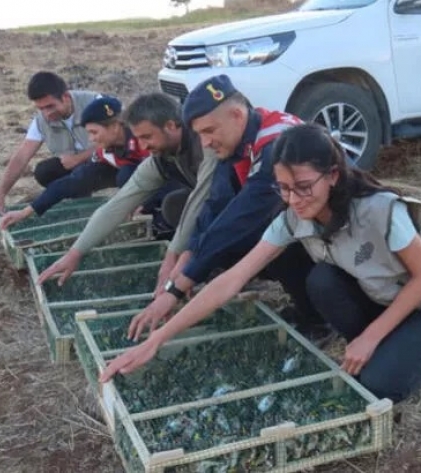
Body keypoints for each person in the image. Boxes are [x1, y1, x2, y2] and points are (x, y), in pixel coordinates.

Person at [100, 124, 421, 404]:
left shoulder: (377, 209)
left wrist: (369, 338)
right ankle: (397, 340)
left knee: (377, 387)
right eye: (283, 187)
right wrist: (157, 340)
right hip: (385, 297)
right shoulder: (293, 217)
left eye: (303, 186)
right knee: (322, 281)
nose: (293, 198)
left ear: (333, 175)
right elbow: (231, 280)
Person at [121, 74, 333, 343]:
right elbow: (216, 203)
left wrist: (180, 285)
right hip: (310, 228)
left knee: (267, 237)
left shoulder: (277, 143)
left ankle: (320, 319)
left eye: (209, 131)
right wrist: (189, 253)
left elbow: (242, 217)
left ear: (236, 114)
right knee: (228, 243)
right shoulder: (242, 141)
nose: (205, 143)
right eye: (199, 134)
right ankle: (305, 307)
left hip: (340, 237)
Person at [36, 92, 216, 289]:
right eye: (138, 138)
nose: (143, 146)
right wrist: (75, 253)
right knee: (174, 206)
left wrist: (172, 256)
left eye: (147, 137)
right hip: (212, 204)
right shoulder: (160, 158)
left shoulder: (205, 144)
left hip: (240, 206)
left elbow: (201, 198)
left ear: (171, 126)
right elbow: (117, 205)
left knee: (187, 209)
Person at [0, 95, 156, 229]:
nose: (91, 139)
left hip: (166, 187)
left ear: (115, 127)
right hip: (136, 179)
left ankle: (150, 217)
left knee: (129, 175)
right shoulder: (105, 151)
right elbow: (70, 182)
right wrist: (25, 212)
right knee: (85, 175)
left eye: (94, 132)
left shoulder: (146, 141)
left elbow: (169, 174)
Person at [0, 71, 102, 222]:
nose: (47, 114)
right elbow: (21, 157)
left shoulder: (95, 103)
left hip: (104, 163)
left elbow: (120, 140)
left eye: (50, 106)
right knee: (44, 171)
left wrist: (77, 159)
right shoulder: (41, 121)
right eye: (41, 108)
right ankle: (79, 202)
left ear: (65, 97)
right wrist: (0, 194)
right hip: (77, 168)